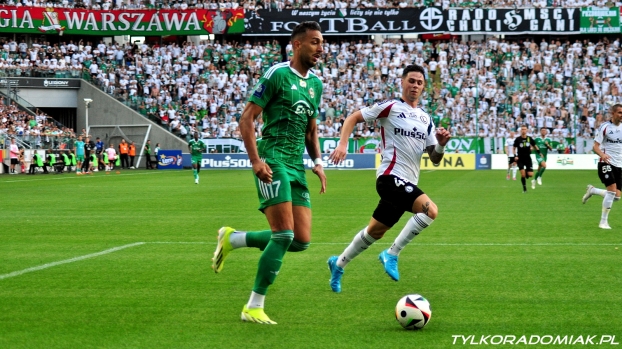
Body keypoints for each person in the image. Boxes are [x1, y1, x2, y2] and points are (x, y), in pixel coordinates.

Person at [211, 21, 327, 325]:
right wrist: (255, 160)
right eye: (315, 42)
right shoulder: (277, 75)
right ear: (297, 45)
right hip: (272, 158)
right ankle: (253, 305)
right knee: (284, 234)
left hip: (296, 164)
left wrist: (318, 162)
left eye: (322, 43)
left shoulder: (316, 83)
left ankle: (233, 239)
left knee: (300, 240)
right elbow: (246, 118)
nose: (320, 49)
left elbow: (311, 130)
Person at [326, 64, 451, 293]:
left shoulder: (425, 119)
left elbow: (434, 158)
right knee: (430, 210)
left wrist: (441, 145)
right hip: (389, 177)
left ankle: (339, 263)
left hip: (406, 184)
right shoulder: (391, 107)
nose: (415, 85)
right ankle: (392, 253)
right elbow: (354, 117)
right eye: (411, 81)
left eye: (419, 82)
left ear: (423, 87)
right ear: (402, 82)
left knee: (375, 232)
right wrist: (343, 144)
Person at [582, 104, 622, 229]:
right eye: (620, 112)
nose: (621, 115)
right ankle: (603, 222)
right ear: (613, 113)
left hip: (619, 164)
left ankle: (593, 190)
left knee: (616, 197)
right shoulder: (605, 127)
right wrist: (602, 155)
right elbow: (595, 146)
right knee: (611, 191)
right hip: (606, 162)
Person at [513, 125, 543, 193]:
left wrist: (539, 152)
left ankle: (525, 171)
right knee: (523, 175)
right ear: (521, 130)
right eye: (522, 129)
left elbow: (535, 146)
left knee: (530, 174)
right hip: (520, 158)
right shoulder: (518, 139)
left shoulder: (529, 139)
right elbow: (514, 148)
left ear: (526, 130)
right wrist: (515, 156)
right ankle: (524, 188)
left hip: (528, 158)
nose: (523, 130)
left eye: (525, 129)